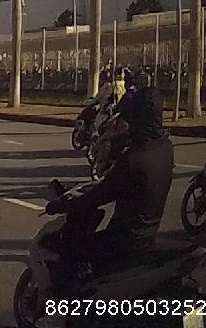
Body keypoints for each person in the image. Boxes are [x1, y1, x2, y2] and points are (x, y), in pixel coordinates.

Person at [45, 84, 173, 280]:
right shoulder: (166, 148)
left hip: (123, 240)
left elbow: (99, 196)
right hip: (148, 235)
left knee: (68, 249)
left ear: (137, 119)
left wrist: (61, 206)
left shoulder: (134, 159)